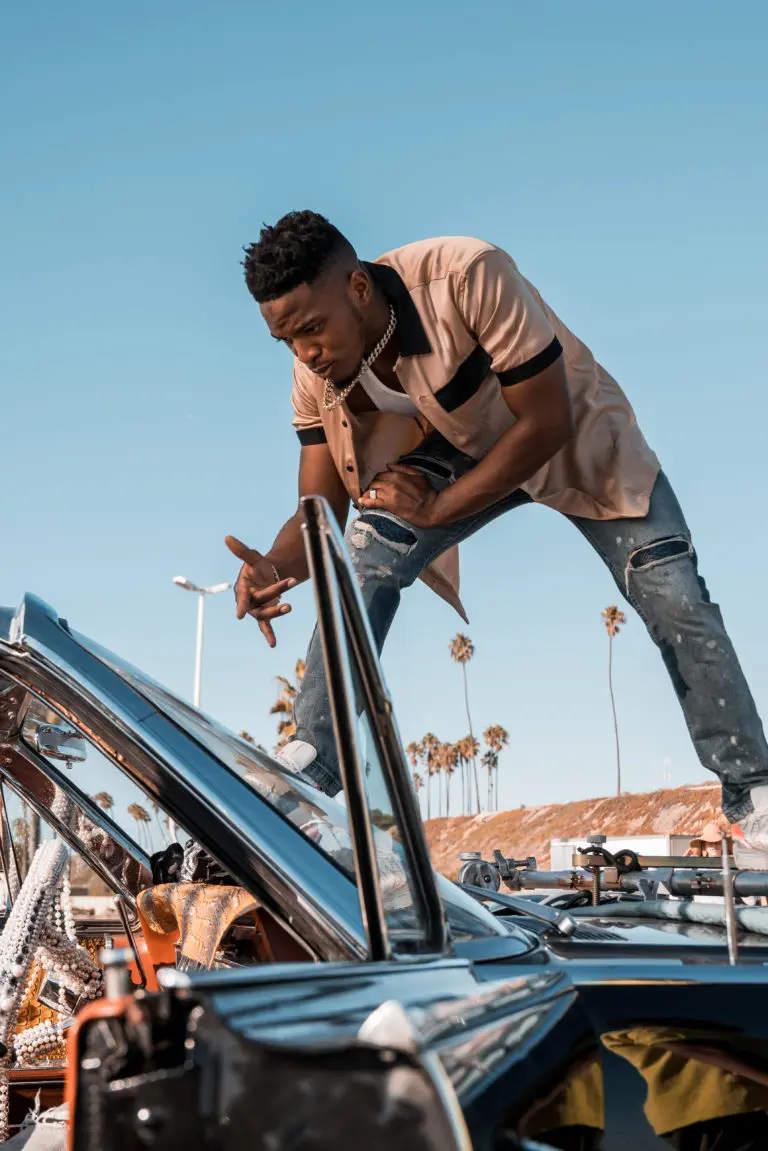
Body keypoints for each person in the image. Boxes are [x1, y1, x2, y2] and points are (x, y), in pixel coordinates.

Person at [226, 210, 768, 867]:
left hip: (572, 435)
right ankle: (314, 761)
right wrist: (274, 565)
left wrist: (439, 507)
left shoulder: (467, 274)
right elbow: (318, 511)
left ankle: (754, 795)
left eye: (312, 328)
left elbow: (547, 421)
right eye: (286, 339)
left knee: (674, 594)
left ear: (359, 288)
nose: (305, 353)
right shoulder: (314, 374)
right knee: (368, 549)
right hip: (455, 452)